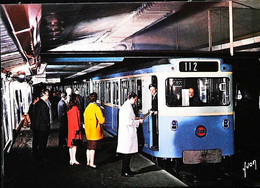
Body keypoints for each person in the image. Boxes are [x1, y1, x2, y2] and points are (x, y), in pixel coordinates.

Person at [116, 92, 144, 177]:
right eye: (135, 99)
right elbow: (127, 121)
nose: (135, 101)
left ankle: (127, 170)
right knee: (127, 154)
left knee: (128, 153)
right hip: (127, 133)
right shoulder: (127, 108)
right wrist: (138, 121)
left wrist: (136, 118)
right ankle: (124, 171)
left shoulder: (126, 106)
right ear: (131, 98)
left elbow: (129, 118)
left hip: (127, 133)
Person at [84, 92, 105, 169]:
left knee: (89, 147)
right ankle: (92, 163)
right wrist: (102, 112)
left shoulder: (87, 108)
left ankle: (88, 162)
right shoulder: (97, 108)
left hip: (88, 131)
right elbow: (102, 121)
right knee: (93, 148)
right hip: (95, 132)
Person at [32, 89, 50, 161]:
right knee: (42, 142)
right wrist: (47, 123)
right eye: (47, 95)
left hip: (36, 127)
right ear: (44, 95)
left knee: (36, 141)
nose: (48, 96)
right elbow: (45, 116)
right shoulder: (43, 104)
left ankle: (36, 155)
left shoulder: (37, 103)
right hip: (42, 127)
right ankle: (42, 156)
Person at [67, 93, 82, 165]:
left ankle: (71, 159)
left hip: (70, 128)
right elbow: (76, 119)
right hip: (74, 129)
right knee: (74, 145)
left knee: (71, 145)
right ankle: (74, 159)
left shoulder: (69, 108)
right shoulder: (75, 108)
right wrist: (77, 129)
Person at [149, 84, 158, 151]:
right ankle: (155, 144)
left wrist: (155, 110)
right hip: (154, 115)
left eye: (153, 90)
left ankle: (156, 144)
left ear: (156, 90)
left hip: (156, 116)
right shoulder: (153, 96)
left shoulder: (157, 96)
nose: (152, 91)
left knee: (156, 129)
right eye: (151, 90)